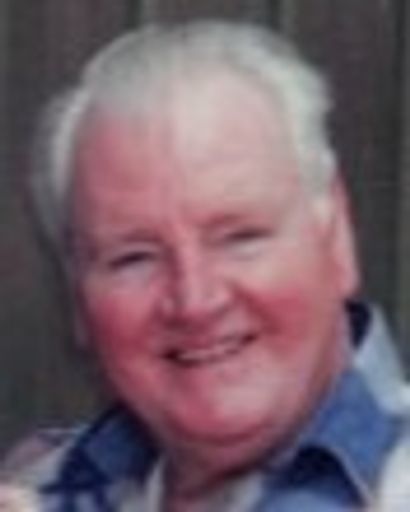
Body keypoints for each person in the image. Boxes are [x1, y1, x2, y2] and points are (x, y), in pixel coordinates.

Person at [1, 20, 408, 512]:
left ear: (336, 235)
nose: (196, 301)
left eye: (240, 238)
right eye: (134, 258)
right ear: (76, 293)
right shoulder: (38, 484)